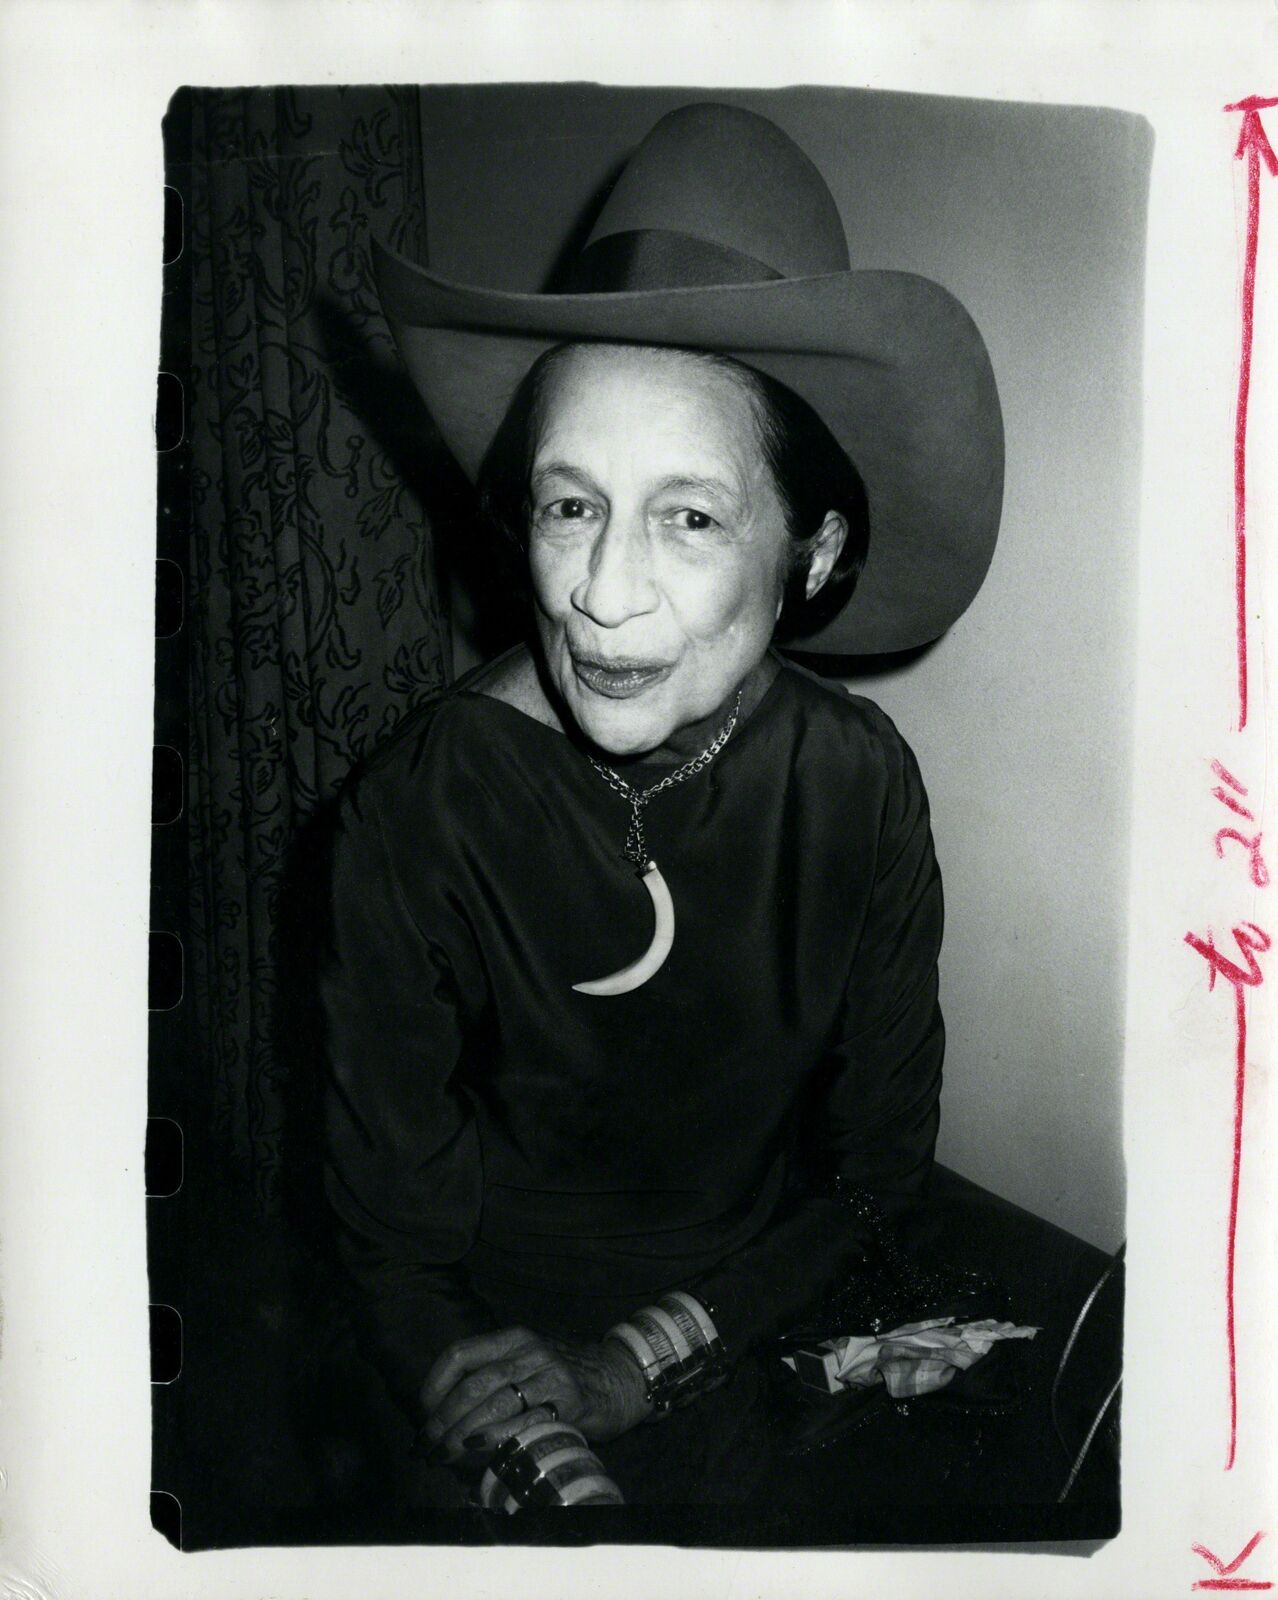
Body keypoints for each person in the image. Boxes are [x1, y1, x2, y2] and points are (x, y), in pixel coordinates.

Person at [320, 102, 1004, 1509]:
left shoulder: (858, 780)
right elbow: (392, 1247)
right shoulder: (419, 814)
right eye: (570, 506)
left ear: (812, 553)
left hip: (749, 1340)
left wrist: (642, 1363)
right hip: (483, 1375)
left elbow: (876, 1170)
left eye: (689, 517)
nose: (601, 594)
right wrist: (549, 1446)